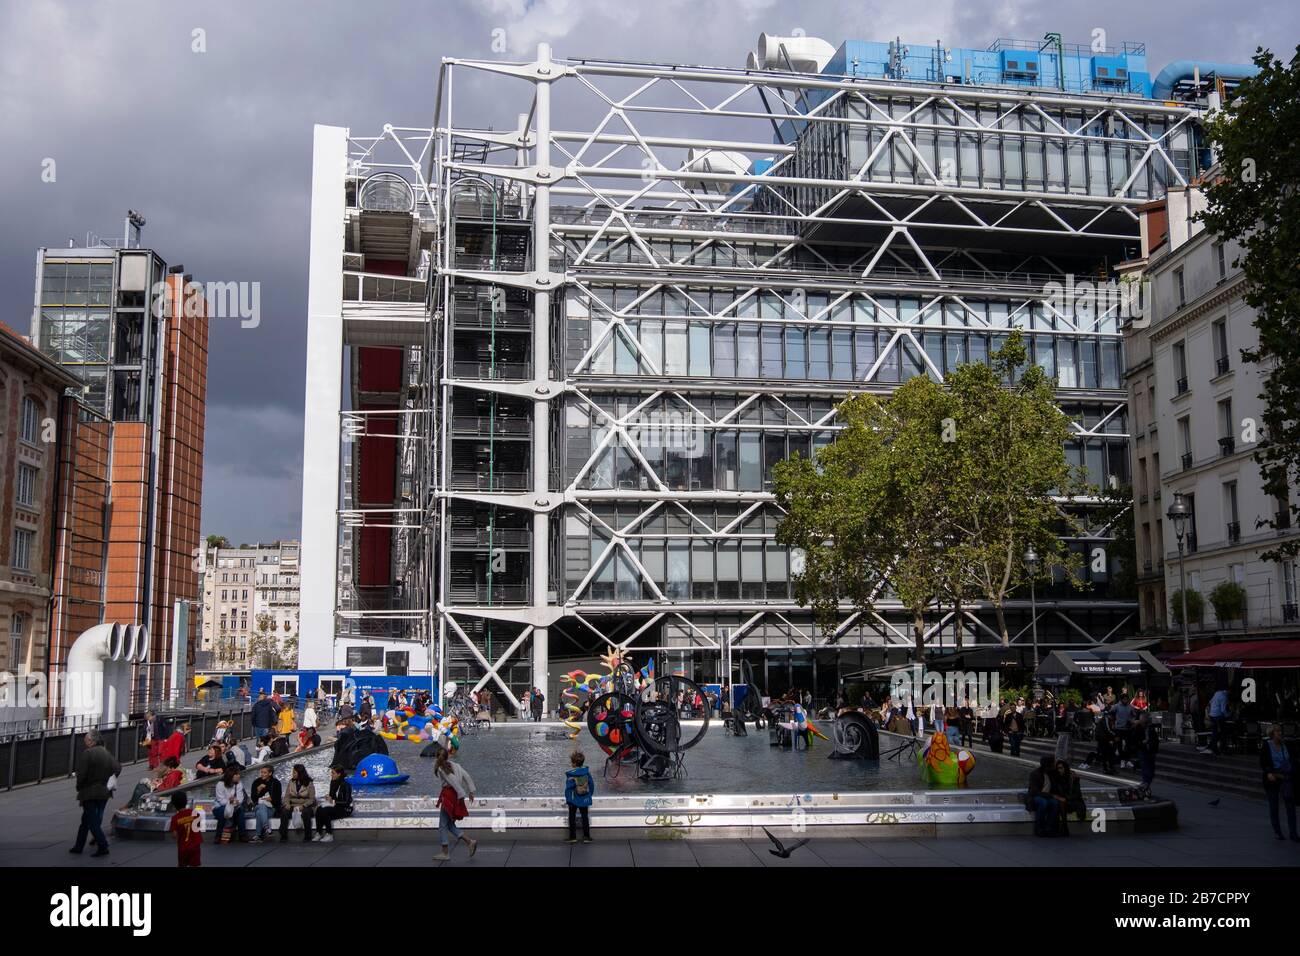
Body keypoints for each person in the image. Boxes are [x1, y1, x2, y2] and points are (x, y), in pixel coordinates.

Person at [70, 731, 121, 857]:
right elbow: (118, 767)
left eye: (86, 740)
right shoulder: (106, 752)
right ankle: (79, 845)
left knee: (90, 820)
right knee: (88, 819)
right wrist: (108, 778)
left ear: (91, 741)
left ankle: (102, 845)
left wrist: (79, 786)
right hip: (104, 790)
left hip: (90, 791)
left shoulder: (88, 753)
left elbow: (82, 774)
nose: (85, 742)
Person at [433, 746, 478, 861]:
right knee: (449, 824)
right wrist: (471, 791)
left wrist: (461, 795)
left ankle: (445, 852)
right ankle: (469, 841)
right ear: (447, 756)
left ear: (436, 757)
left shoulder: (441, 769)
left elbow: (453, 781)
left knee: (442, 825)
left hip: (449, 796)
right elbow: (466, 776)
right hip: (454, 796)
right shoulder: (455, 765)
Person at [1260, 723, 1299, 842]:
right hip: (1272, 778)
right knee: (1274, 806)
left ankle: (1293, 833)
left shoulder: (1286, 745)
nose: (1280, 733)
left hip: (1285, 778)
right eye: (1277, 731)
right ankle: (1277, 831)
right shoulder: (1267, 745)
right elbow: (1263, 761)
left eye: (1280, 731)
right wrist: (1268, 773)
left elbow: (1292, 759)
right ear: (1272, 734)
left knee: (1290, 807)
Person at [315, 765, 353, 842]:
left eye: (333, 773)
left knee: (325, 811)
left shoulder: (346, 785)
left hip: (344, 808)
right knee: (319, 809)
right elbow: (332, 796)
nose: (331, 775)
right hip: (336, 806)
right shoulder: (333, 783)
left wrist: (334, 801)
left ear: (339, 774)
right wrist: (329, 797)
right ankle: (318, 832)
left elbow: (346, 801)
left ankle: (329, 834)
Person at [564, 750, 595, 844]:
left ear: (573, 763)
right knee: (585, 816)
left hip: (573, 799)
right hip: (584, 798)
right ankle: (586, 836)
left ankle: (573, 837)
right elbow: (592, 785)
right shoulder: (587, 773)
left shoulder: (571, 775)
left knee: (572, 817)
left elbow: (568, 788)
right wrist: (589, 795)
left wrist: (568, 798)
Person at [280, 764, 317, 843]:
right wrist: (287, 804)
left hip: (306, 805)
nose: (292, 774)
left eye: (294, 773)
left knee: (306, 812)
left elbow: (312, 799)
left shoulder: (309, 783)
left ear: (300, 773)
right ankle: (283, 835)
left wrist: (303, 806)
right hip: (293, 805)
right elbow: (286, 796)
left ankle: (308, 835)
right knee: (284, 812)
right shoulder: (291, 782)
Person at [212, 767, 248, 844]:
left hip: (235, 805)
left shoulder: (239, 784)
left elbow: (240, 798)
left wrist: (235, 802)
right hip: (220, 807)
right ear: (231, 776)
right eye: (237, 774)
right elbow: (221, 800)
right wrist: (230, 802)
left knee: (240, 810)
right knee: (222, 811)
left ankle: (242, 835)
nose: (239, 776)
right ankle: (218, 835)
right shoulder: (220, 784)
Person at [1026, 756, 1059, 837]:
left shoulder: (1052, 773)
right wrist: (1051, 795)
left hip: (1048, 796)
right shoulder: (1035, 774)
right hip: (1036, 796)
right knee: (1043, 802)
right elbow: (1035, 792)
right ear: (1049, 764)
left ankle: (1049, 828)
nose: (1055, 764)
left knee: (1055, 803)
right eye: (1053, 762)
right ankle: (1039, 828)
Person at [249, 764, 282, 843]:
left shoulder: (276, 783)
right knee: (261, 806)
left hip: (271, 808)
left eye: (265, 773)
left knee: (260, 812)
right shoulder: (256, 782)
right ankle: (267, 828)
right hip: (258, 806)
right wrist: (258, 790)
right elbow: (253, 799)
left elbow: (278, 799)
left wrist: (271, 799)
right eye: (261, 772)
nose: (262, 774)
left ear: (270, 773)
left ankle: (259, 835)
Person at [168, 792, 202, 867]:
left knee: (182, 864)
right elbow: (198, 826)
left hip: (183, 847)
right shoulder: (194, 813)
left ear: (174, 805)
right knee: (195, 865)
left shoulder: (175, 818)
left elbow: (174, 835)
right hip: (195, 845)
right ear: (186, 801)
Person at [1052, 760, 1086, 834]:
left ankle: (1064, 828)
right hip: (1062, 802)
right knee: (1060, 803)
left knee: (1061, 803)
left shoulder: (1073, 778)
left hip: (1073, 802)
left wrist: (1066, 798)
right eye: (1058, 768)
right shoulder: (1056, 778)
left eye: (1061, 768)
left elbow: (1077, 794)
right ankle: (1064, 827)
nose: (1059, 770)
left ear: (1065, 768)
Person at [1135, 711, 1159, 792]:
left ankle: (1147, 782)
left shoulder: (1150, 728)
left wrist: (1154, 749)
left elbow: (1155, 740)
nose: (1141, 720)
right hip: (1143, 749)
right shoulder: (1138, 727)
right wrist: (1141, 743)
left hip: (1150, 750)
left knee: (1150, 767)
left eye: (1143, 719)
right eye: (1141, 719)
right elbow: (1135, 738)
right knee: (1145, 766)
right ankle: (1146, 782)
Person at [1204, 687, 1231, 755]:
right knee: (1222, 733)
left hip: (1212, 715)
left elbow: (1210, 702)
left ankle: (1214, 748)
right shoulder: (1224, 697)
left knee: (1215, 732)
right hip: (1219, 716)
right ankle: (1222, 748)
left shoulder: (1217, 693)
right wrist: (1229, 714)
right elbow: (1223, 710)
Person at [1113, 695, 1135, 768]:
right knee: (1119, 746)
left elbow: (1134, 715)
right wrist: (1114, 723)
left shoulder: (1130, 707)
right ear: (1121, 699)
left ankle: (1128, 760)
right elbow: (1110, 713)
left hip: (1127, 729)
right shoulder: (1116, 706)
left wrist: (1131, 721)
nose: (1125, 700)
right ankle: (1122, 760)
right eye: (1124, 699)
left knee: (1128, 745)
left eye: (1127, 699)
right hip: (1118, 729)